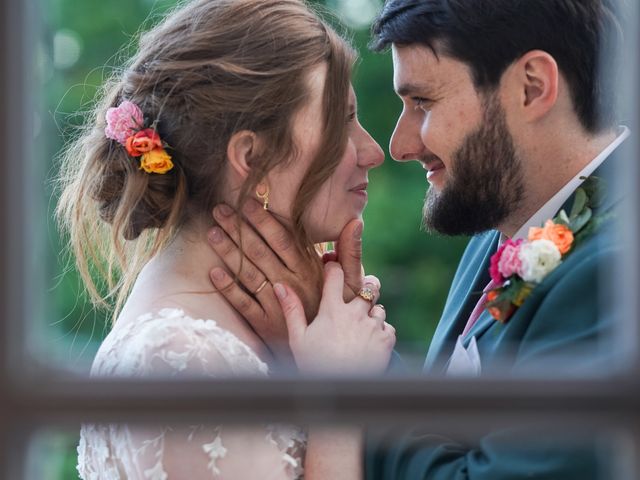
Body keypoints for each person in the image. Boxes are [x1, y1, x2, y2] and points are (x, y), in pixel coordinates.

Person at [208, 0, 629, 478]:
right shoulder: (499, 233)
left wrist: (344, 381)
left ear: (532, 86)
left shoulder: (615, 273)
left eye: (423, 103)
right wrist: (341, 326)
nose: (399, 145)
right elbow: (445, 434)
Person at [56, 0, 396, 478]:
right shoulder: (179, 360)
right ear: (252, 157)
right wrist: (335, 395)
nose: (372, 152)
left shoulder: (244, 326)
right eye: (341, 122)